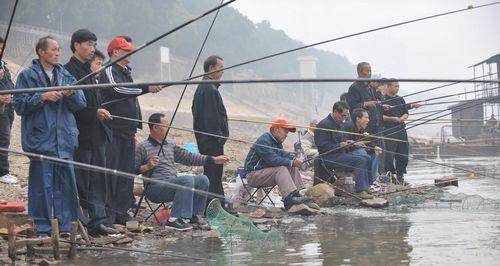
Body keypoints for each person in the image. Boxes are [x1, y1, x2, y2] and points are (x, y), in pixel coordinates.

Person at [13, 36, 87, 236]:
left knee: (66, 186)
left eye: (58, 50)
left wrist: (71, 94)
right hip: (40, 140)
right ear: (41, 52)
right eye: (53, 49)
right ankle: (43, 229)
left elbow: (81, 104)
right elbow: (19, 105)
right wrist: (42, 97)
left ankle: (66, 228)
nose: (57, 53)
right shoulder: (27, 75)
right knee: (41, 187)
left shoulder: (66, 75)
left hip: (64, 140)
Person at [100, 37, 161, 225]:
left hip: (128, 130)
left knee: (126, 172)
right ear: (115, 52)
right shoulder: (109, 70)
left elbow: (131, 92)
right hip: (114, 130)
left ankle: (121, 211)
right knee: (112, 172)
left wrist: (144, 89)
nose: (130, 54)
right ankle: (110, 213)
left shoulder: (126, 72)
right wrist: (145, 88)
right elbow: (118, 90)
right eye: (126, 50)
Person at [135, 113, 229, 231]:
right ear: (155, 128)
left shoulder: (170, 145)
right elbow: (132, 170)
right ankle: (175, 219)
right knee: (186, 179)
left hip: (173, 184)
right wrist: (147, 166)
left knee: (202, 179)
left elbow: (188, 158)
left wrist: (214, 160)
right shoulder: (142, 147)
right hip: (154, 189)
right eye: (166, 126)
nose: (169, 129)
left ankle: (195, 215)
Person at [64, 29, 116, 236]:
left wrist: (99, 112)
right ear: (76, 45)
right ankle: (83, 221)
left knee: (98, 179)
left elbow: (94, 101)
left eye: (94, 44)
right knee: (83, 179)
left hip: (98, 134)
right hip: (81, 135)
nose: (92, 48)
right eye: (88, 44)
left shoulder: (90, 71)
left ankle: (98, 220)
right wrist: (95, 111)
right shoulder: (69, 71)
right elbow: (73, 104)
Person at [244, 119, 310, 210]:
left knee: (292, 166)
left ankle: (296, 194)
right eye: (285, 131)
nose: (286, 135)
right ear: (276, 129)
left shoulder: (277, 142)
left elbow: (283, 155)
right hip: (253, 176)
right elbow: (273, 160)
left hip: (265, 174)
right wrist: (291, 162)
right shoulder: (264, 140)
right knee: (281, 169)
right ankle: (288, 201)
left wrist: (294, 160)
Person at [314, 101, 373, 199]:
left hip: (340, 154)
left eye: (346, 116)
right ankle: (360, 190)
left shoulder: (340, 124)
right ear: (336, 112)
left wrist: (351, 143)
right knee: (360, 160)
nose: (344, 119)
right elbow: (322, 147)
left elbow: (343, 141)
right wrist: (339, 145)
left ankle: (367, 186)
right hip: (329, 157)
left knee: (367, 158)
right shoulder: (324, 125)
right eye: (343, 116)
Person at [192, 55, 229, 207]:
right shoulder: (209, 89)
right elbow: (210, 118)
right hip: (211, 141)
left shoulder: (207, 87)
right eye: (220, 68)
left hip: (208, 140)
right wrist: (219, 138)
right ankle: (213, 206)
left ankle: (217, 204)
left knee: (214, 174)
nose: (222, 72)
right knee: (213, 174)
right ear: (211, 69)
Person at [382, 80, 418, 184]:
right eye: (395, 86)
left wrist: (402, 118)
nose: (397, 88)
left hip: (401, 128)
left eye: (398, 86)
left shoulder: (400, 99)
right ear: (388, 87)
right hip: (389, 129)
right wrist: (392, 118)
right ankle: (390, 176)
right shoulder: (382, 100)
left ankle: (400, 175)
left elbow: (406, 113)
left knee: (403, 153)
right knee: (389, 154)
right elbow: (380, 116)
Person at [341, 108, 382, 187]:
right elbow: (344, 142)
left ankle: (371, 182)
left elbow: (367, 142)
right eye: (366, 118)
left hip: (356, 152)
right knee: (361, 152)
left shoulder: (362, 129)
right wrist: (355, 143)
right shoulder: (347, 126)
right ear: (358, 119)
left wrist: (375, 147)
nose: (368, 120)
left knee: (374, 153)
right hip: (346, 153)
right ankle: (363, 182)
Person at [0, 37, 17, 184]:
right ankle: (3, 172)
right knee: (3, 138)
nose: (1, 50)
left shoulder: (4, 66)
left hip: (8, 107)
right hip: (1, 107)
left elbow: (10, 84)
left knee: (5, 138)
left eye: (2, 48)